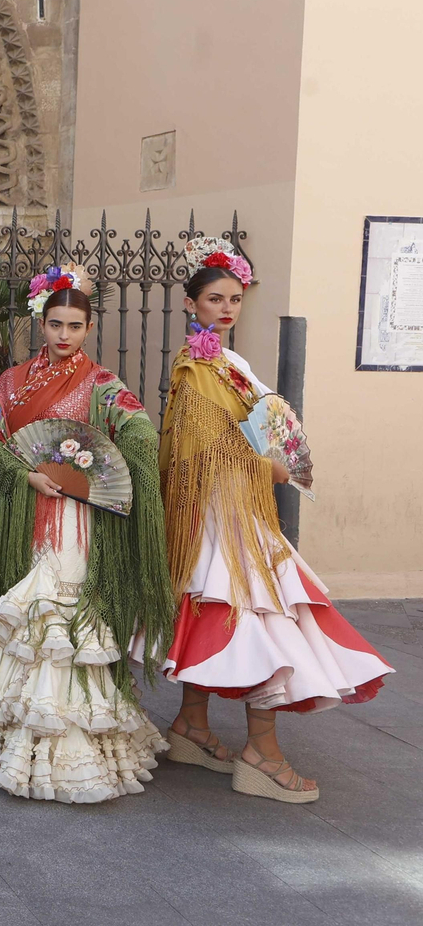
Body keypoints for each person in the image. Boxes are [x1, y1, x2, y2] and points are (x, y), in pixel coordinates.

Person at [160, 238, 392, 803]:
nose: (227, 308)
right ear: (192, 304)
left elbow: (255, 422)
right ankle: (262, 751)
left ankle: (192, 723)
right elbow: (200, 446)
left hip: (232, 507)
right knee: (258, 614)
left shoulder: (227, 362)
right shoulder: (196, 366)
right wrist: (270, 468)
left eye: (235, 299)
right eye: (215, 299)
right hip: (225, 509)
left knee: (216, 607)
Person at [0, 266, 174, 802]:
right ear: (40, 324)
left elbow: (138, 429)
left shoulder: (102, 383)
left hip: (81, 519)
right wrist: (25, 474)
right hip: (32, 510)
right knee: (32, 616)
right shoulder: (12, 381)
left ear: (88, 329)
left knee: (64, 618)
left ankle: (74, 748)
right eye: (55, 324)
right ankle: (9, 741)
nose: (64, 335)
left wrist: (109, 465)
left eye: (75, 326)